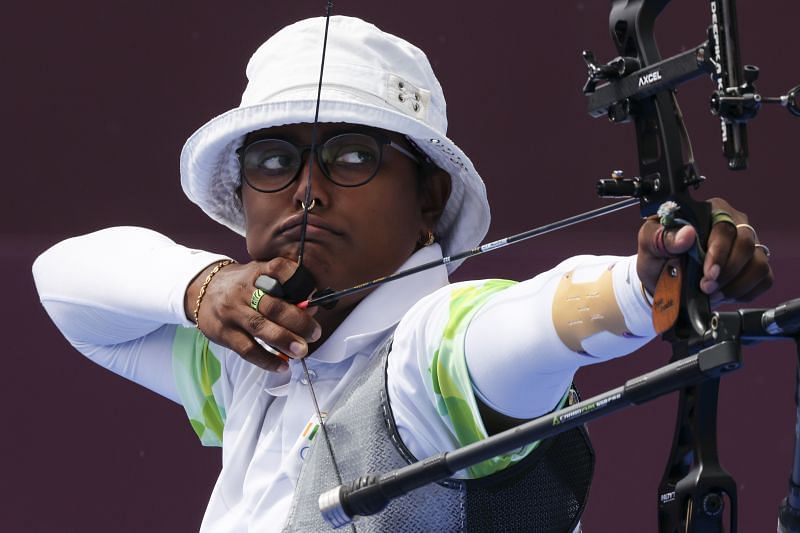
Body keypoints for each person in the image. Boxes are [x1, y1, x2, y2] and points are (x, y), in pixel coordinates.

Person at [32, 15, 772, 532]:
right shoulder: (251, 363)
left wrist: (644, 288)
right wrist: (202, 288)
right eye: (273, 159)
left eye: (351, 155)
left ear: (429, 197)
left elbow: (517, 330)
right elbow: (63, 281)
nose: (306, 188)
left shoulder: (429, 355)